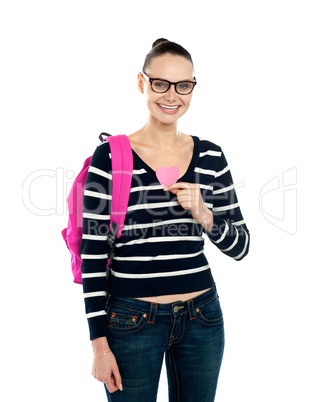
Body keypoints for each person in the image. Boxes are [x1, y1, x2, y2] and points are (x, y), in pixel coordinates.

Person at [80, 38, 250, 402]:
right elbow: (93, 255)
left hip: (203, 319)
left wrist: (205, 214)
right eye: (160, 83)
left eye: (183, 86)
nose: (172, 96)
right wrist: (99, 346)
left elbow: (242, 247)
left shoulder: (210, 156)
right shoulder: (109, 157)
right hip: (130, 322)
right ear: (141, 83)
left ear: (192, 88)